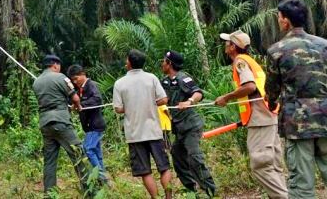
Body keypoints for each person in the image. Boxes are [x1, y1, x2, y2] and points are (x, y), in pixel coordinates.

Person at [265, 0, 327, 199]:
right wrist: (323, 101)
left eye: (279, 18)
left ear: (286, 21)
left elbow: (271, 90)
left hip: (297, 125)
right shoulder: (325, 46)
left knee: (301, 187)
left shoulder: (276, 51)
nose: (279, 21)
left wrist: (273, 102)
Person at [215, 30, 288, 198]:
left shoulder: (240, 61)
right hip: (268, 115)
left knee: (260, 165)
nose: (225, 45)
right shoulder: (250, 60)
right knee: (274, 164)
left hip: (259, 118)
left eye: (228, 43)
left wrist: (226, 98)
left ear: (233, 47)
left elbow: (249, 87)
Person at [113, 49, 173, 199]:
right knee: (164, 167)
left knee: (145, 171)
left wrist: (132, 105)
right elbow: (164, 99)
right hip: (154, 130)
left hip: (135, 134)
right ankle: (169, 197)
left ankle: (155, 198)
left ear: (129, 63)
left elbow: (118, 109)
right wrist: (150, 102)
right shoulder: (151, 78)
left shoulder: (120, 83)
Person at [32, 54, 93, 195]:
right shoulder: (60, 77)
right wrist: (77, 106)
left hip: (45, 124)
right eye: (59, 65)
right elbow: (75, 98)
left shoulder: (37, 82)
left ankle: (50, 193)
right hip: (61, 121)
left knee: (50, 161)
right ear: (55, 64)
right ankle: (91, 191)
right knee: (78, 154)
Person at [160, 50, 216, 198]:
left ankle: (210, 191)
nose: (162, 63)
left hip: (190, 125)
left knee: (194, 157)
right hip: (178, 127)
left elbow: (198, 93)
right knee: (177, 155)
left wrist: (189, 101)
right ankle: (191, 190)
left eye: (164, 61)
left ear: (169, 64)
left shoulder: (183, 78)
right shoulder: (164, 81)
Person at [67, 64, 108, 183]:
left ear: (83, 74)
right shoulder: (79, 90)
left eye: (76, 78)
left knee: (88, 149)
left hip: (95, 125)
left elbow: (97, 99)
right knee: (96, 152)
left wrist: (81, 105)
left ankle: (102, 177)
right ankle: (104, 180)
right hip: (89, 127)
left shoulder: (91, 85)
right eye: (73, 80)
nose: (75, 82)